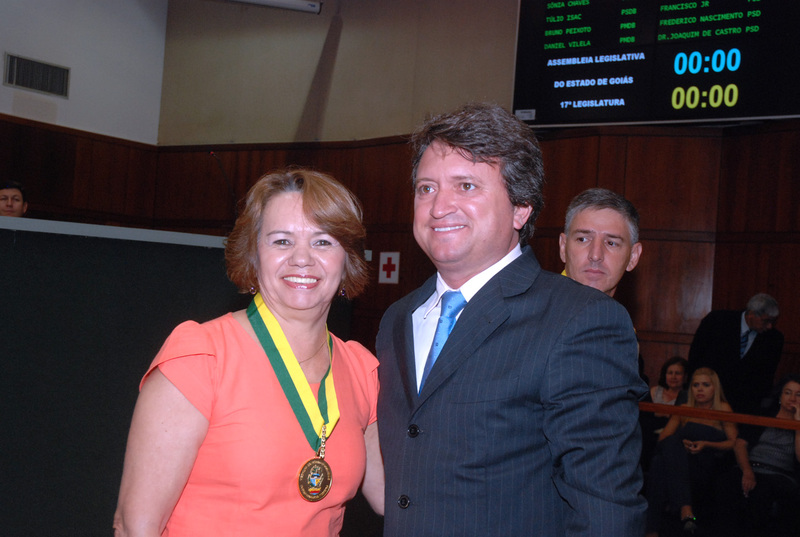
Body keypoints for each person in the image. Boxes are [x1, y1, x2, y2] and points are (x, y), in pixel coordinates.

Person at [376, 102, 647, 537]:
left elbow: (605, 510)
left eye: (466, 186)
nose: (439, 206)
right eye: (426, 188)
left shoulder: (581, 320)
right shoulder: (397, 319)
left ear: (521, 208)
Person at [113, 169, 384, 536]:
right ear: (254, 254)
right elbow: (135, 526)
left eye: (323, 242)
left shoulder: (361, 370)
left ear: (347, 258)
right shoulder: (202, 357)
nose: (302, 258)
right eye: (282, 241)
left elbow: (396, 497)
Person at [645, 367, 737, 537]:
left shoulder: (723, 408)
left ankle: (652, 529)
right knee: (669, 445)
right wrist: (682, 444)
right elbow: (663, 438)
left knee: (659, 463)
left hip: (704, 461)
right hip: (679, 459)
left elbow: (733, 442)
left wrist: (707, 444)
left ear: (715, 388)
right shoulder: (684, 407)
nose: (700, 389)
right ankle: (685, 508)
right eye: (696, 385)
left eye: (705, 385)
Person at [715, 374, 800, 537]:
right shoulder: (765, 415)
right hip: (751, 466)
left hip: (779, 474)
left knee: (761, 494)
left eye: (798, 394)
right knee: (726, 483)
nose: (792, 398)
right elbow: (740, 444)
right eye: (788, 392)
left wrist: (798, 425)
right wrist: (747, 471)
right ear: (780, 396)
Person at [688, 293, 784, 415]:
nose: (769, 326)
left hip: (744, 406)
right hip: (709, 399)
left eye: (773, 321)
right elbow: (695, 357)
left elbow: (766, 378)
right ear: (751, 313)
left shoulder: (774, 339)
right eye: (766, 321)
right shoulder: (717, 321)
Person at [559, 187, 642, 297]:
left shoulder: (615, 309)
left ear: (633, 256)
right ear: (563, 247)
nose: (595, 256)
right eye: (582, 239)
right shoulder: (537, 305)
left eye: (611, 243)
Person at [640, 357, 689, 471]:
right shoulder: (654, 391)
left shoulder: (687, 397)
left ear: (685, 376)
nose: (673, 377)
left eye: (678, 373)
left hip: (672, 435)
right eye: (670, 373)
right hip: (649, 433)